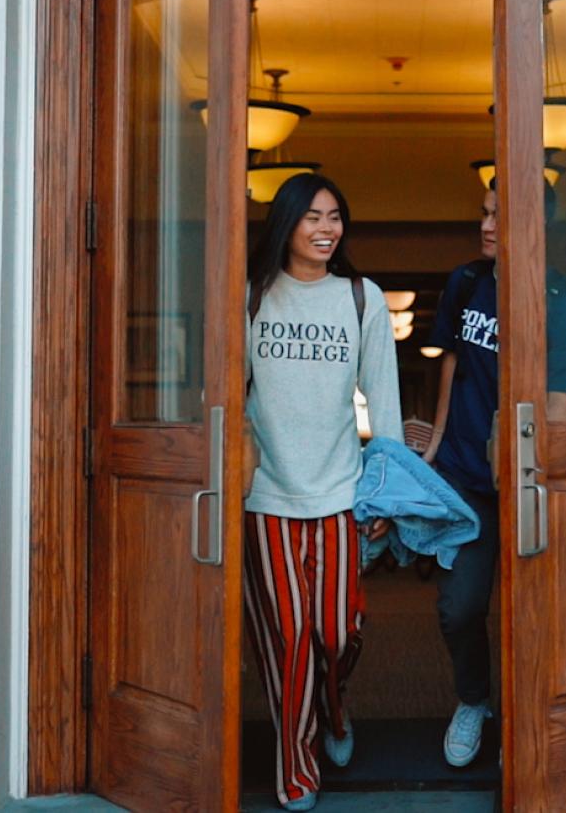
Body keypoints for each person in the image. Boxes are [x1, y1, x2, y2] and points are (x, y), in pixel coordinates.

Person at [243, 173, 403, 812]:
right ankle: (297, 769)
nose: (326, 229)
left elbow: (385, 407)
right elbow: (225, 396)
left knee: (335, 633)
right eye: (312, 217)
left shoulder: (361, 299)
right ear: (286, 223)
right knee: (288, 637)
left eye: (335, 217)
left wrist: (384, 496)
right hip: (268, 497)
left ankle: (335, 708)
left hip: (340, 493)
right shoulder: (251, 297)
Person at [421, 180, 566, 767]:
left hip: (526, 483)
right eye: (485, 213)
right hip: (467, 480)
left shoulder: (563, 302)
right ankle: (474, 701)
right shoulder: (465, 282)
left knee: (532, 612)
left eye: (502, 216)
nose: (487, 225)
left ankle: (527, 726)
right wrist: (440, 439)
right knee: (460, 608)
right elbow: (450, 360)